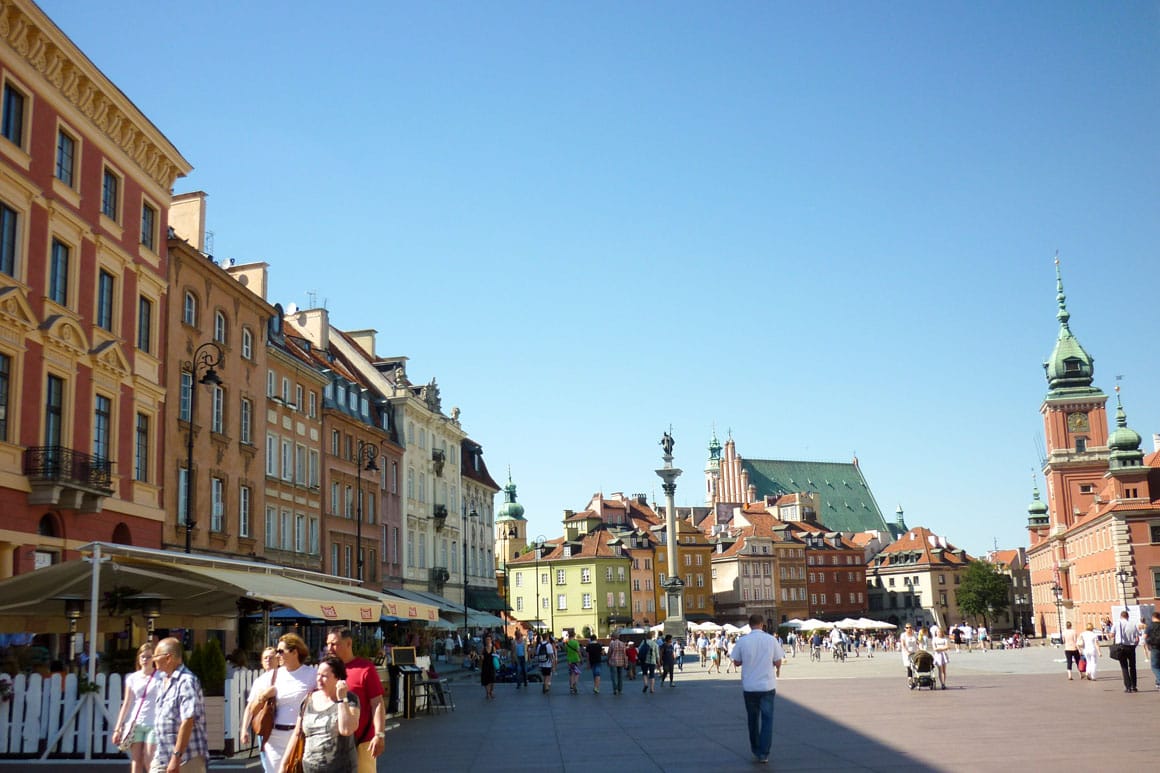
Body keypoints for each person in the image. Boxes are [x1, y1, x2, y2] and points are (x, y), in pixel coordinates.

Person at [244, 636, 316, 772]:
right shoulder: (272, 676)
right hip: (274, 737)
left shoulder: (312, 675)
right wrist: (264, 696)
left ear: (295, 652)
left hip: (301, 736)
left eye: (281, 651)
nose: (277, 655)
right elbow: (253, 709)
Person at [281, 655, 359, 773]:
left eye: (324, 676)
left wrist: (342, 699)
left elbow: (346, 730)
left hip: (340, 768)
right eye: (318, 675)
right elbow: (297, 733)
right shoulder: (308, 699)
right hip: (310, 768)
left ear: (338, 678)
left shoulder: (350, 700)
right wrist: (284, 764)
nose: (319, 679)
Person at [324, 628, 386, 773]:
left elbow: (377, 703)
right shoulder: (327, 670)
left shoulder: (365, 668)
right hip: (333, 743)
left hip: (361, 743)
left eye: (334, 644)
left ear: (349, 643)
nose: (329, 648)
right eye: (328, 644)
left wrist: (380, 734)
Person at [730, 614, 785, 765]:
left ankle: (755, 748)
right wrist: (774, 666)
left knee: (752, 720)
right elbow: (779, 661)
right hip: (767, 685)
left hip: (750, 686)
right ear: (762, 625)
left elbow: (736, 662)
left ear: (749, 625)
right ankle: (764, 753)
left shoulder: (743, 641)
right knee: (768, 720)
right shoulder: (771, 640)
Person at [149, 637, 207, 773]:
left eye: (156, 656)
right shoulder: (162, 681)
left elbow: (188, 720)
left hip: (186, 758)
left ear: (168, 658)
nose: (153, 659)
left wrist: (176, 756)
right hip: (162, 756)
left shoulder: (186, 681)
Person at [111, 642, 157, 773]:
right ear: (138, 658)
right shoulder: (133, 678)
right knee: (136, 761)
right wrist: (117, 728)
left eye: (148, 657)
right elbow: (127, 703)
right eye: (142, 656)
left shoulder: (160, 676)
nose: (145, 660)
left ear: (153, 658)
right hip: (136, 722)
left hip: (153, 723)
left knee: (150, 760)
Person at [241, 647, 280, 750]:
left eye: (271, 657)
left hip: (280, 727)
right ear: (262, 662)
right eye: (265, 658)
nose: (268, 660)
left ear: (278, 660)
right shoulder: (259, 681)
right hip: (264, 724)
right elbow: (249, 707)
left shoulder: (284, 677)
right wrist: (244, 729)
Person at [1112, 610, 1139, 693]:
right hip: (1131, 647)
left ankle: (1128, 687)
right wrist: (1135, 645)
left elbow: (1112, 635)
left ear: (1121, 616)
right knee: (1133, 666)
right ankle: (1134, 686)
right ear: (1128, 616)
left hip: (1122, 647)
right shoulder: (1133, 624)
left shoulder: (1117, 623)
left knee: (1124, 667)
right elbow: (1137, 638)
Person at [1144, 611, 1160, 690]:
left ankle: (1159, 680)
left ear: (1153, 617)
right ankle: (1157, 682)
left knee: (1154, 666)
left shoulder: (1150, 626)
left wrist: (1147, 645)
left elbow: (1145, 636)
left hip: (1155, 647)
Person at [480, 634, 497, 700]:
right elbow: (481, 657)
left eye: (489, 639)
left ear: (491, 640)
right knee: (486, 681)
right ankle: (488, 693)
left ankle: (491, 691)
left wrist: (495, 658)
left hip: (492, 666)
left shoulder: (493, 648)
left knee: (492, 680)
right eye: (486, 640)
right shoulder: (483, 649)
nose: (488, 641)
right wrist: (481, 657)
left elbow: (495, 656)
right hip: (485, 666)